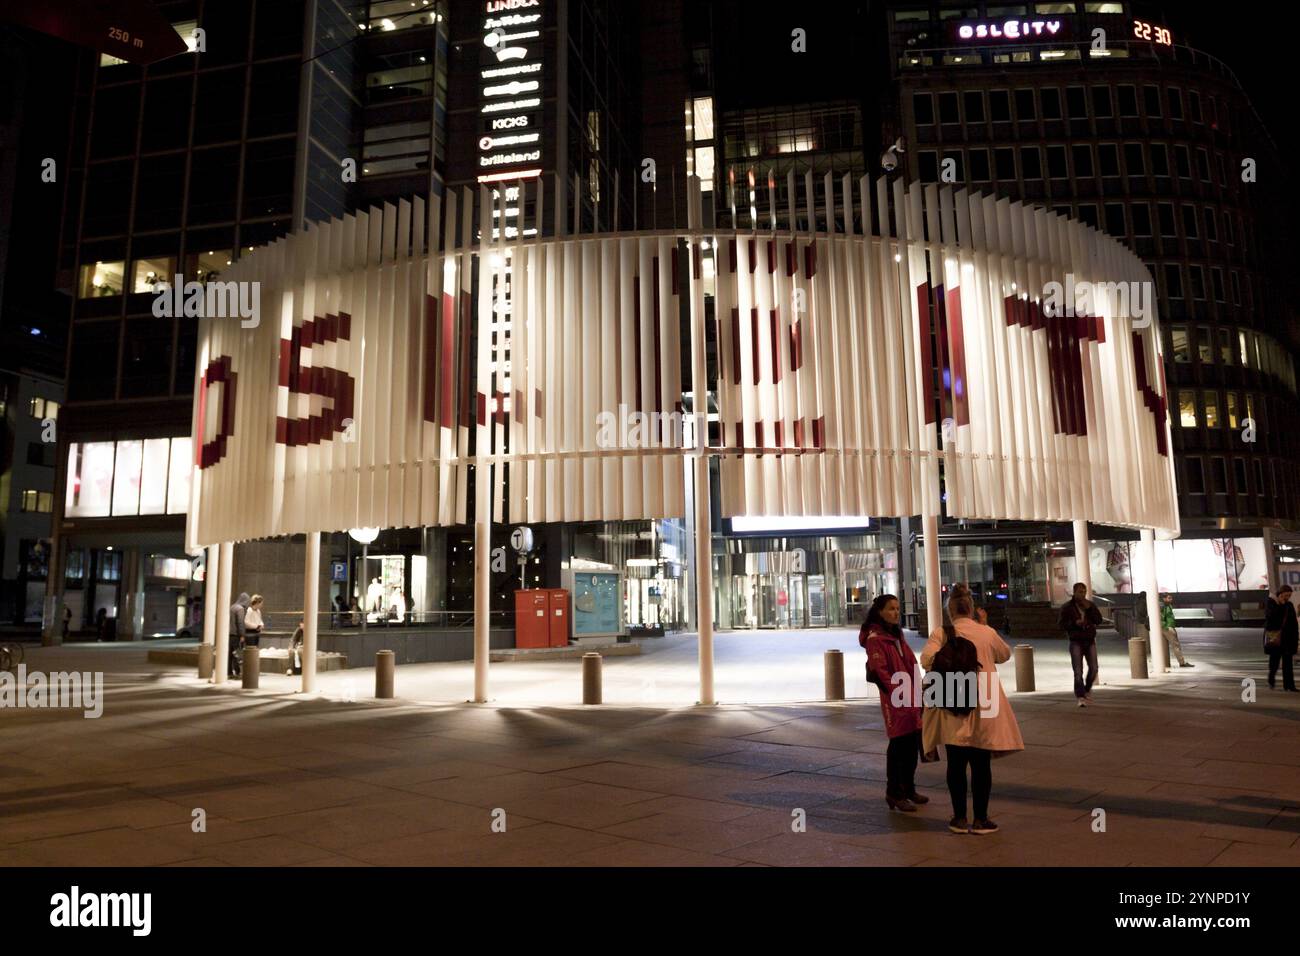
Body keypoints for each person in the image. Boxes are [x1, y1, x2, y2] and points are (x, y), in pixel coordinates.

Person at [921, 584, 1024, 836]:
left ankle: (958, 818)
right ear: (971, 608)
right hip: (983, 703)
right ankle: (980, 820)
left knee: (955, 764)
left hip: (952, 703)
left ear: (950, 610)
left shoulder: (941, 633)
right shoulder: (986, 632)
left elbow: (926, 661)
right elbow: (1004, 655)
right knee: (980, 765)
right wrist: (985, 625)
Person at [860, 594, 925, 812]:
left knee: (912, 742)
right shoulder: (875, 639)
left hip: (910, 693)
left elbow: (910, 663)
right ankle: (894, 792)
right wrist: (898, 694)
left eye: (898, 608)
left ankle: (908, 788)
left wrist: (918, 688)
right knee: (899, 744)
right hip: (895, 698)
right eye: (891, 609)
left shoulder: (896, 635)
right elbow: (881, 671)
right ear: (879, 612)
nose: (896, 612)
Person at [1059, 582, 1103, 707]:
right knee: (1078, 671)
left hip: (1089, 640)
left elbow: (1098, 620)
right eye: (1080, 591)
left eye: (1084, 591)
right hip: (1076, 641)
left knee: (1094, 668)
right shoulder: (1067, 607)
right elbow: (1061, 624)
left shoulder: (1090, 605)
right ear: (1074, 592)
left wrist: (1089, 609)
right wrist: (1074, 623)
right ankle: (1080, 696)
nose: (1082, 594)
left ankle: (1087, 689)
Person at [1264, 585, 1299, 692]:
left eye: (1289, 595)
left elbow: (1294, 623)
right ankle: (1271, 679)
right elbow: (1271, 619)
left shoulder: (1289, 605)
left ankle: (1289, 685)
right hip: (1276, 638)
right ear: (1280, 594)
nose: (1287, 597)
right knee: (1274, 662)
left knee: (1288, 663)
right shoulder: (1271, 603)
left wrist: (1296, 638)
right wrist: (1280, 606)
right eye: (1286, 595)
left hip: (1288, 639)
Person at [1160, 592, 1193, 668]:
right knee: (1176, 645)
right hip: (1168, 628)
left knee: (1176, 645)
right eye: (1169, 598)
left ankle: (1181, 662)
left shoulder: (1168, 605)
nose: (1171, 599)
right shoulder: (1162, 606)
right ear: (1164, 598)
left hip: (1170, 627)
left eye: (1171, 598)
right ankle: (1182, 662)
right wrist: (1167, 627)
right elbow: (1160, 618)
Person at [228, 592, 249, 678]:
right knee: (237, 654)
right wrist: (242, 635)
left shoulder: (232, 607)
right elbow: (240, 623)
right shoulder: (240, 609)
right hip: (236, 634)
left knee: (229, 655)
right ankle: (238, 671)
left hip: (228, 634)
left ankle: (228, 672)